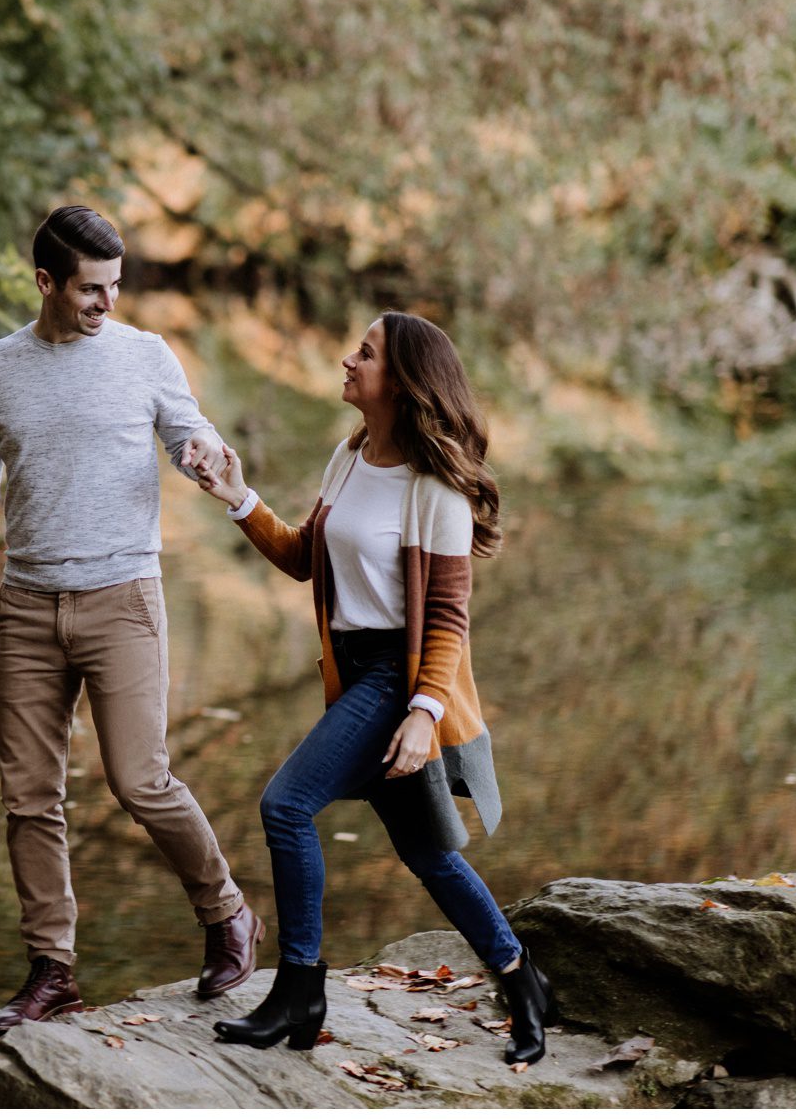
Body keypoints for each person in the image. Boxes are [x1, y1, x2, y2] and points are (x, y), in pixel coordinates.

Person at [0, 204, 263, 1035]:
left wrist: (208, 456)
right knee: (29, 798)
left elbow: (189, 432)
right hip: (29, 608)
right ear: (45, 282)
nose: (107, 302)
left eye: (115, 286)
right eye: (90, 289)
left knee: (141, 780)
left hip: (123, 600)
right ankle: (53, 970)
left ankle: (227, 913)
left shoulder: (144, 356)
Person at [193, 312, 558, 1064]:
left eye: (365, 352)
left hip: (399, 677)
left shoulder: (438, 491)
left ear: (402, 381)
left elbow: (451, 617)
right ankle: (521, 977)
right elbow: (305, 557)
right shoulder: (352, 454)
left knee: (285, 806)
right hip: (355, 672)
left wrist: (424, 711)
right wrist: (238, 496)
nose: (347, 358)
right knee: (428, 854)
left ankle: (300, 987)